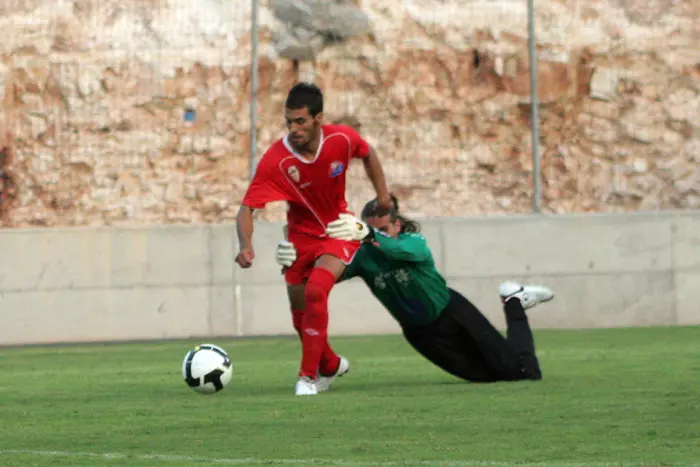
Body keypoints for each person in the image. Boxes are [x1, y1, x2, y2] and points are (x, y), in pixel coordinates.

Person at [275, 196, 555, 384]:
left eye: (384, 228)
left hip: (452, 314)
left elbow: (397, 249)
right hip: (419, 333)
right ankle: (514, 300)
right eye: (370, 230)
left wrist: (370, 235)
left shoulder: (413, 242)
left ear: (397, 224)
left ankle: (514, 300)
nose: (377, 234)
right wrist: (295, 263)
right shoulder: (361, 256)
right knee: (486, 378)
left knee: (524, 373)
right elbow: (320, 280)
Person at [235, 82, 393, 396]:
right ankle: (331, 364)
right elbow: (246, 210)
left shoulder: (341, 138)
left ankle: (307, 377)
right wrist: (246, 247)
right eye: (289, 122)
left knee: (316, 290)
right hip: (299, 240)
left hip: (337, 231)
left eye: (301, 121)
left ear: (319, 118)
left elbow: (367, 153)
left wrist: (383, 195)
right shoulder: (277, 161)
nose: (293, 129)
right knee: (299, 315)